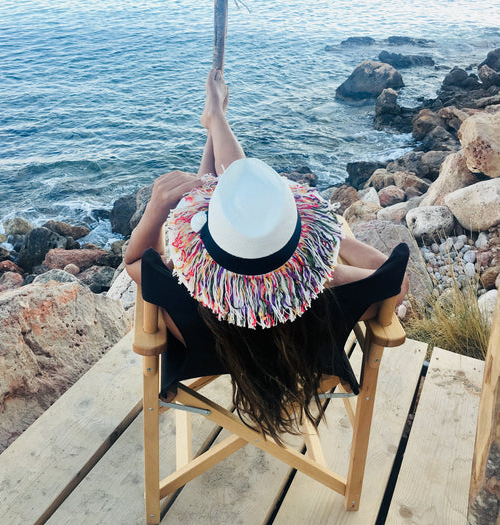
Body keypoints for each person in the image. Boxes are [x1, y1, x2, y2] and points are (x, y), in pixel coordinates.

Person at [125, 69, 410, 443]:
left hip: (206, 350)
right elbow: (394, 281)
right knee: (245, 204)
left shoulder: (186, 293)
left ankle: (215, 119)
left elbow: (136, 261)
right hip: (305, 349)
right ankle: (216, 119)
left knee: (239, 207)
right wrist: (330, 237)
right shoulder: (329, 287)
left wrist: (155, 210)